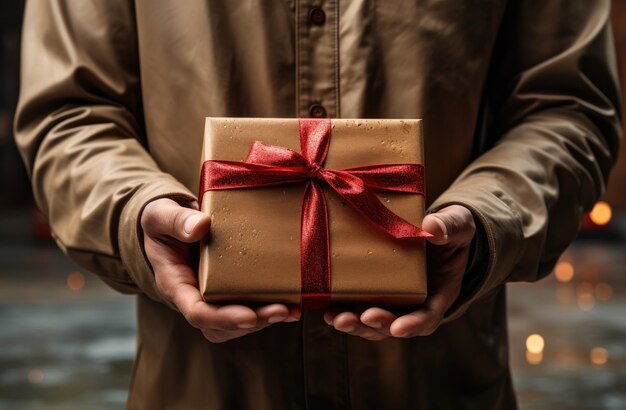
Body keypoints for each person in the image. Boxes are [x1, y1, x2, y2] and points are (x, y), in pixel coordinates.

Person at [14, 1, 621, 409]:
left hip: (438, 380)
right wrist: (135, 211)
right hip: (198, 387)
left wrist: (488, 218)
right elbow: (68, 113)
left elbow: (567, 107)